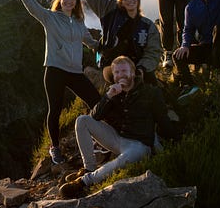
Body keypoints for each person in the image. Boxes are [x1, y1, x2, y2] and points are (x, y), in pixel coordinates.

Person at [10, 0, 102, 165]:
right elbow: (32, 6)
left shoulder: (79, 23)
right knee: (55, 109)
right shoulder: (50, 18)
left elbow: (91, 43)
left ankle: (98, 138)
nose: (68, 1)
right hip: (55, 70)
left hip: (75, 71)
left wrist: (107, 43)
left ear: (76, 2)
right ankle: (55, 148)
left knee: (96, 101)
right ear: (59, 0)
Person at [59, 55, 172, 199]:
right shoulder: (114, 92)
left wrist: (176, 140)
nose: (120, 75)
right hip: (117, 139)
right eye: (117, 72)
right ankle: (89, 168)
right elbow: (95, 116)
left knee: (125, 158)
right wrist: (108, 96)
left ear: (132, 72)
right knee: (82, 120)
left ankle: (83, 182)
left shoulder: (150, 92)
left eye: (124, 71)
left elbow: (163, 120)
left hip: (139, 145)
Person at [61, 0, 161, 83]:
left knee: (150, 89)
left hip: (137, 67)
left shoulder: (147, 25)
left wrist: (142, 68)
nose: (130, 0)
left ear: (138, 0)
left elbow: (153, 51)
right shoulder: (110, 12)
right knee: (121, 81)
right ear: (120, 2)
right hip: (111, 65)